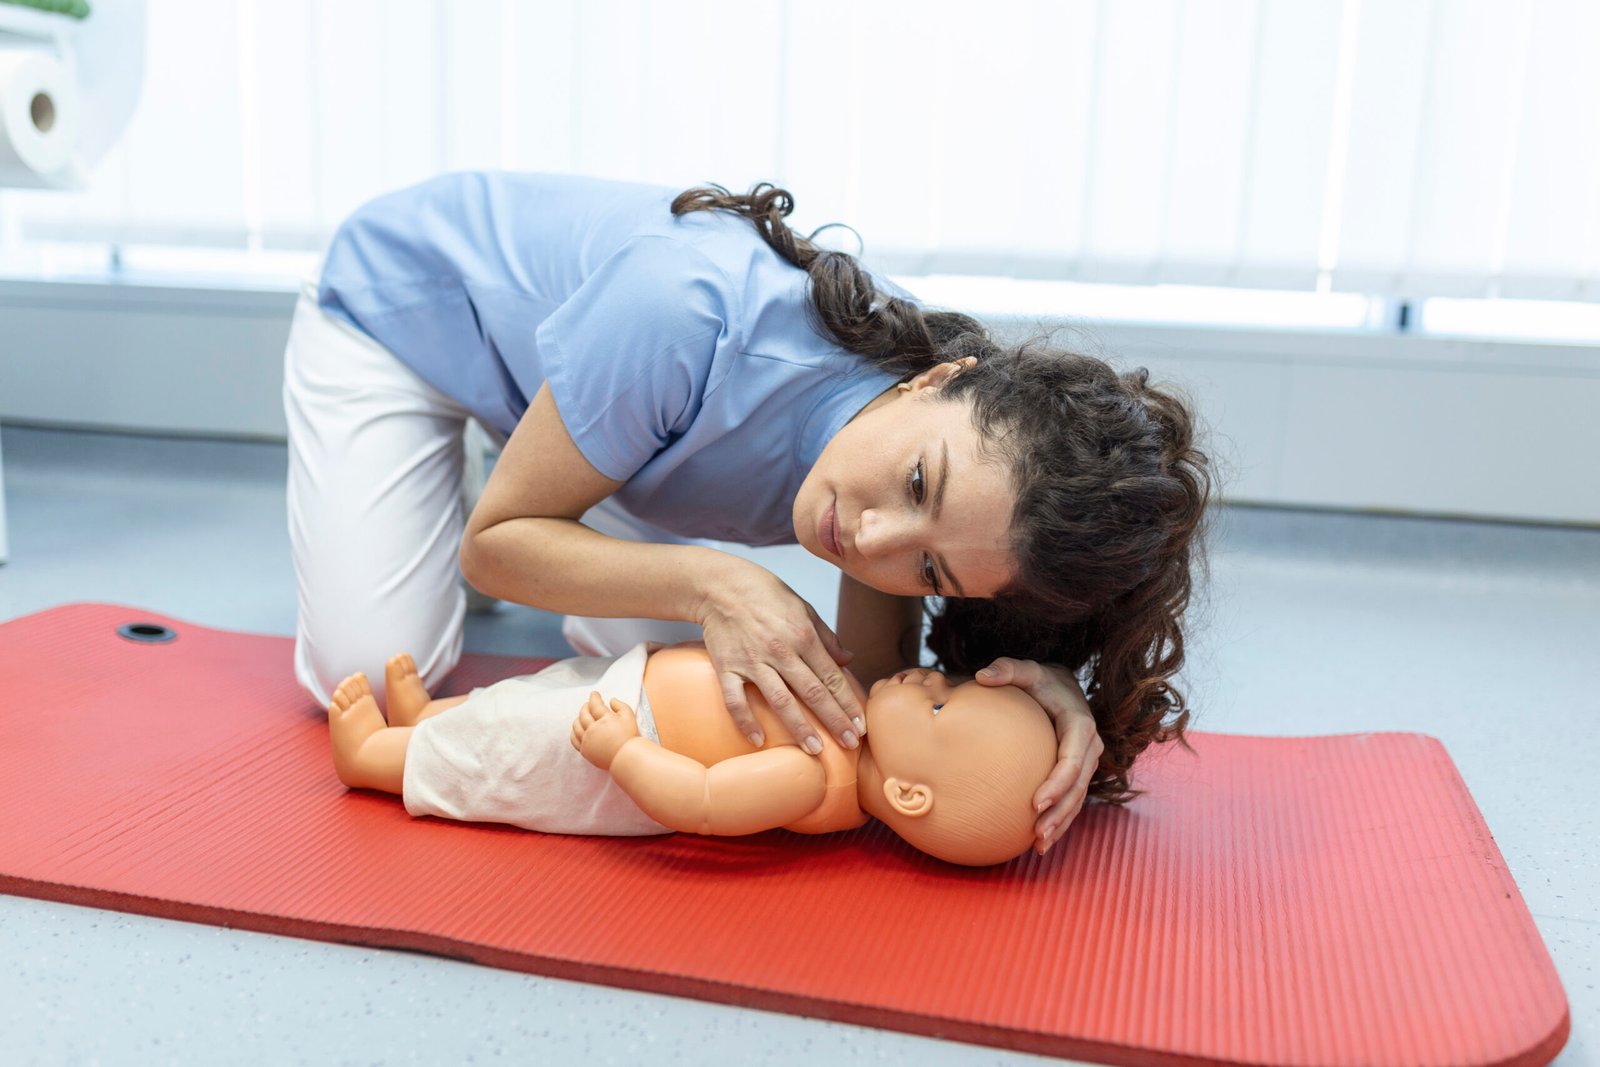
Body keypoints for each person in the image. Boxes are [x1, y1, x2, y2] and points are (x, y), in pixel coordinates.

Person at [284, 174, 1211, 855]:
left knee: (703, 688)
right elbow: (492, 550)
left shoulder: (924, 471)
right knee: (358, 668)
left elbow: (876, 694)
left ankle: (555, 454)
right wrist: (718, 579)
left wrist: (1039, 698)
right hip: (400, 315)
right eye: (919, 484)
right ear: (932, 380)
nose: (873, 540)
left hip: (630, 434)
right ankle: (523, 457)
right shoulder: (687, 311)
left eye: (931, 572)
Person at [326, 645, 1056, 867]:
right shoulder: (851, 724)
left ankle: (374, 755)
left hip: (621, 741)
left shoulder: (811, 775)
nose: (932, 677)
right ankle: (428, 717)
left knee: (505, 748)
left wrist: (625, 751)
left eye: (939, 704)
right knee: (518, 698)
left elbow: (703, 801)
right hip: (630, 683)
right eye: (951, 682)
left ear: (909, 795)